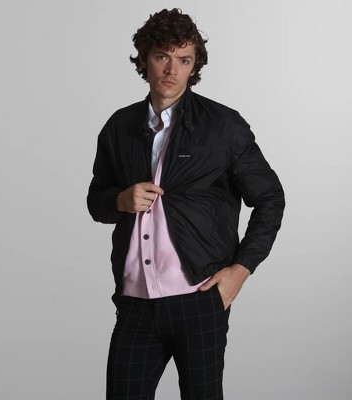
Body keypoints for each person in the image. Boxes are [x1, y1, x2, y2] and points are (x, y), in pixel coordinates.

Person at [87, 8, 285, 400]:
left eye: (184, 59)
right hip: (135, 304)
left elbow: (270, 199)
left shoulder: (223, 126)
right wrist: (120, 200)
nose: (172, 69)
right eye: (162, 56)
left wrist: (240, 270)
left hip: (199, 299)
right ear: (145, 59)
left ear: (194, 66)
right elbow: (97, 202)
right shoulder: (119, 126)